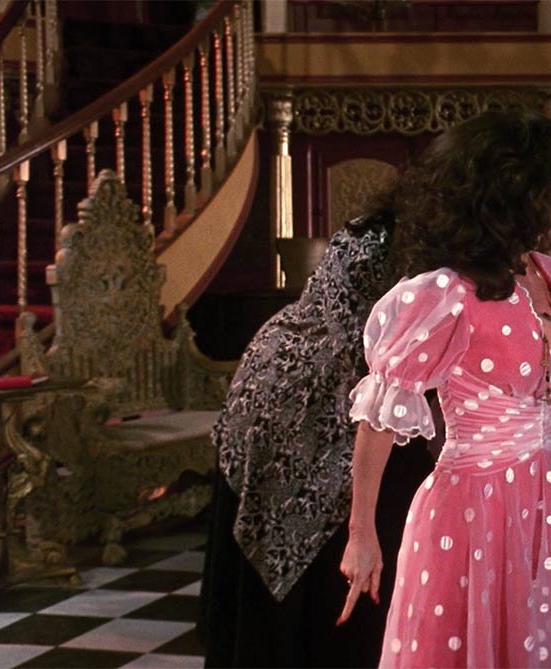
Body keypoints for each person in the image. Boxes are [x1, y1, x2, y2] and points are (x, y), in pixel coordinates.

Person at [339, 110, 551, 668]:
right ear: (519, 191)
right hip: (468, 511)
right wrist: (361, 532)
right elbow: (378, 418)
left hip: (547, 503)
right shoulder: (446, 293)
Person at [199, 207, 436, 668]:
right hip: (296, 406)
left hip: (322, 399)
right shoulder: (380, 245)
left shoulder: (430, 239)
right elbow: (378, 366)